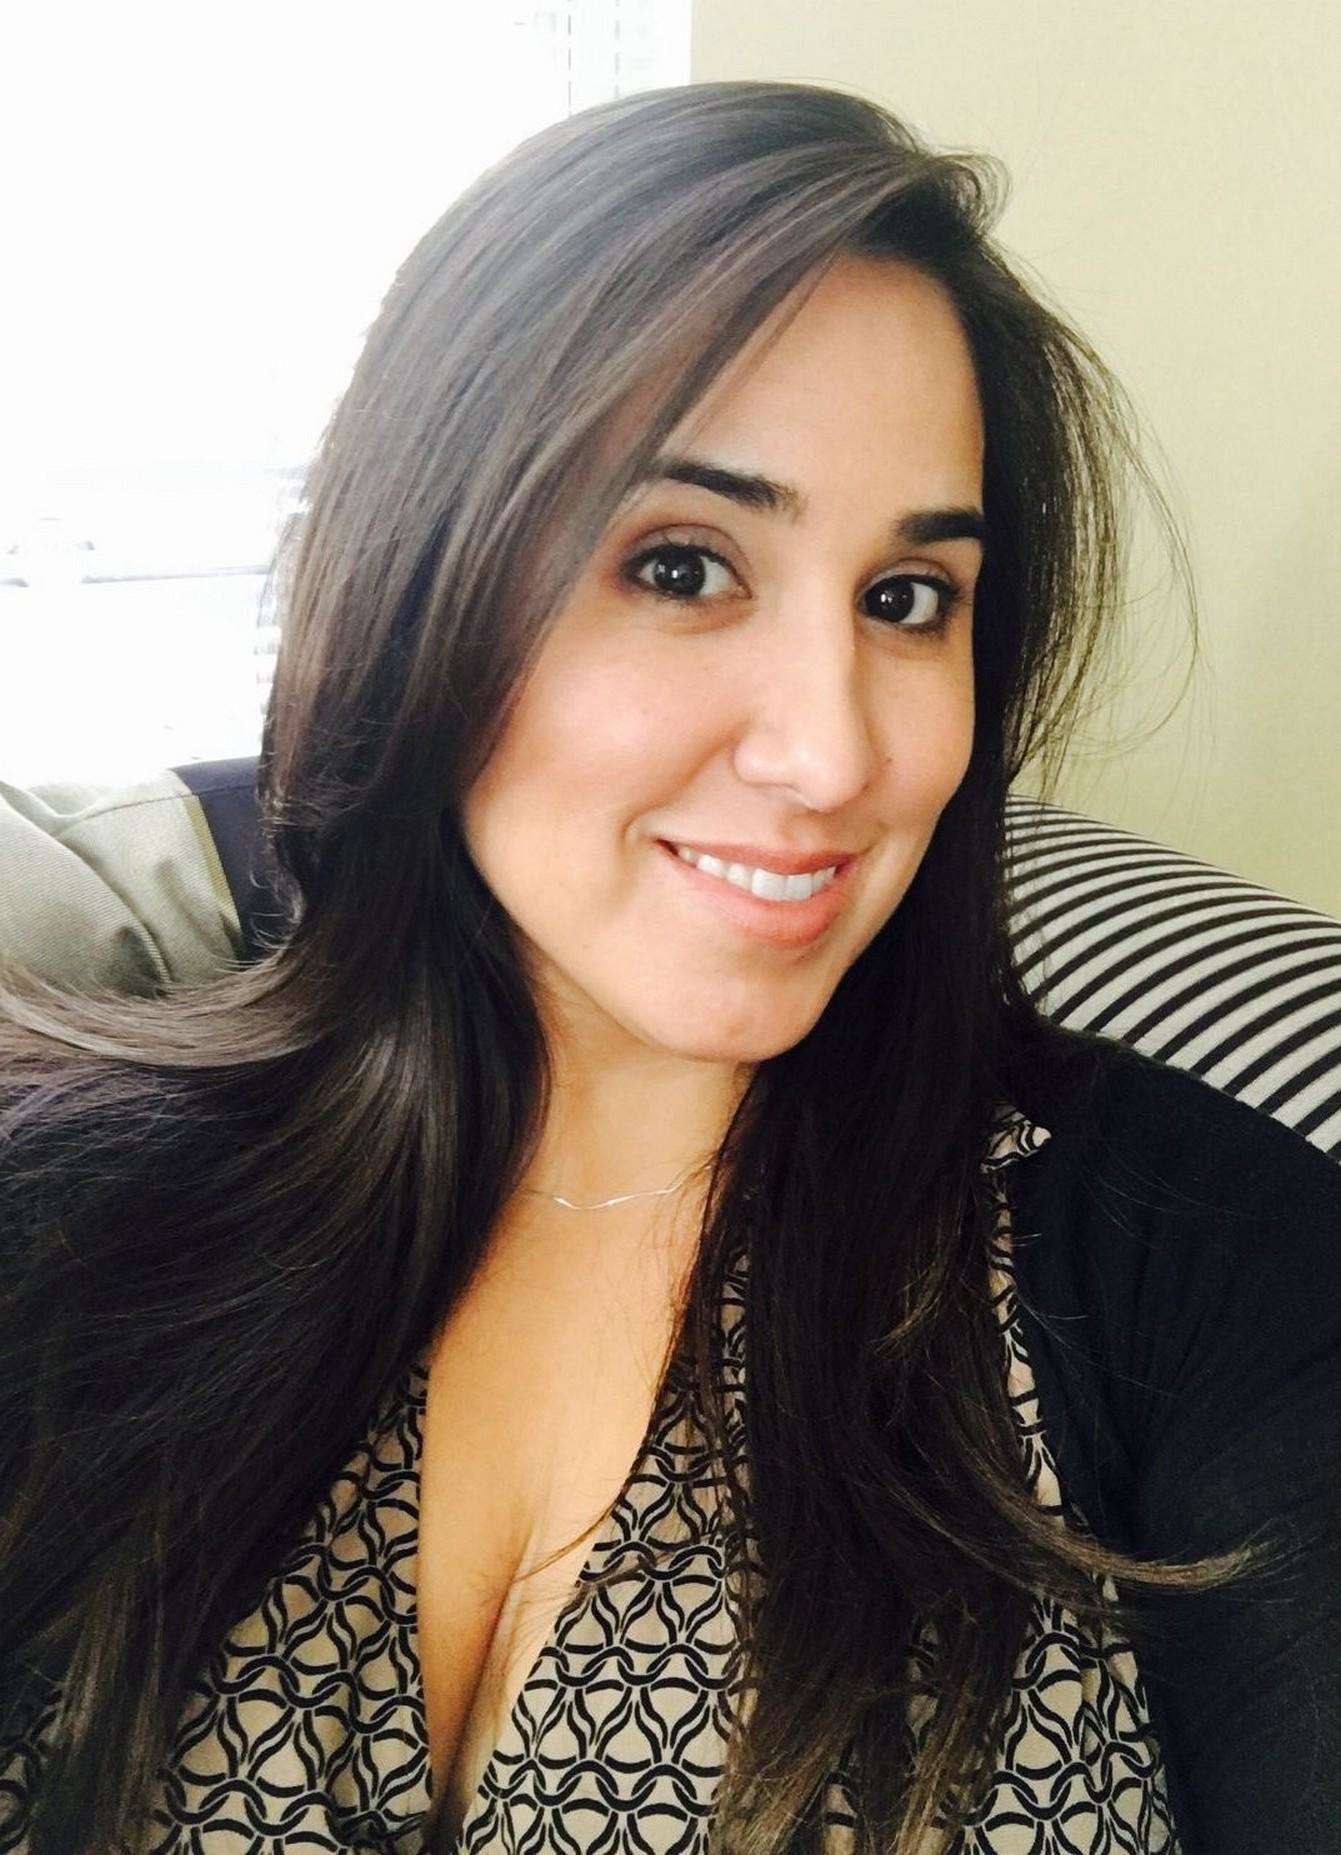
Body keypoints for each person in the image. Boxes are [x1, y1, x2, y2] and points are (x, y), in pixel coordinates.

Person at [0, 78, 1336, 1855]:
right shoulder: (65, 1223)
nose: (832, 754)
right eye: (683, 565)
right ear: (424, 587)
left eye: (906, 598)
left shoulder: (1204, 1270)